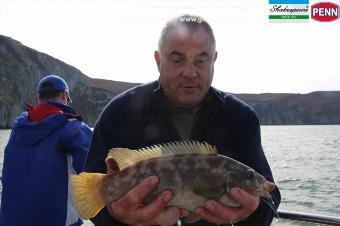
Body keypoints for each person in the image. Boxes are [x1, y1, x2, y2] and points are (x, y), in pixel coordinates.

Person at [85, 14, 281, 226]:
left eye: (201, 60)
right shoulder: (119, 112)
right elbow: (90, 198)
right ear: (159, 60)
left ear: (213, 60)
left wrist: (252, 212)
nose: (190, 73)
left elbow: (270, 194)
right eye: (178, 60)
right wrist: (115, 217)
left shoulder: (241, 118)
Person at [0, 75, 92, 226]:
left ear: (38, 98)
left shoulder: (17, 130)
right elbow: (97, 174)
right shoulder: (74, 129)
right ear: (65, 95)